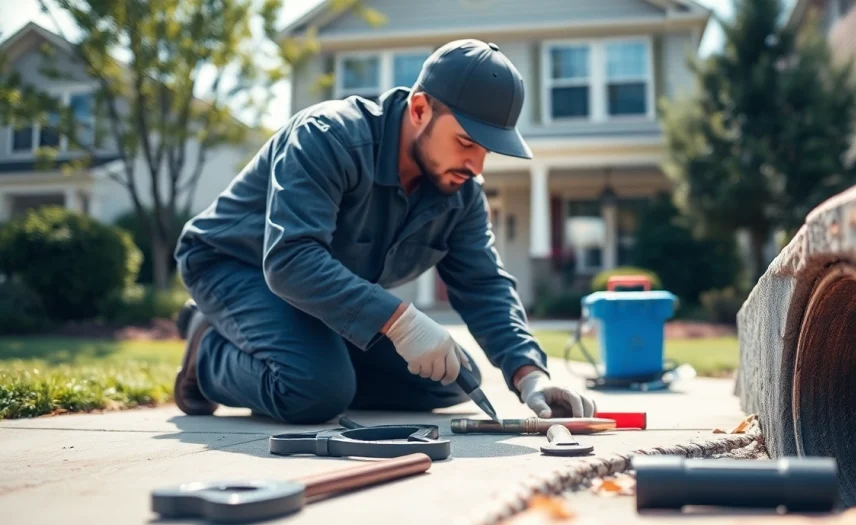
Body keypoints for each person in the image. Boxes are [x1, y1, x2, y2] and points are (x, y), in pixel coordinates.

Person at [172, 39, 597, 424]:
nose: (476, 166)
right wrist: (402, 324)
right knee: (314, 393)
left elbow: (484, 285)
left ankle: (324, 367)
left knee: (450, 378)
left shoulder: (461, 191)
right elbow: (290, 258)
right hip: (233, 266)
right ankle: (206, 351)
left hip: (316, 292)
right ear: (419, 110)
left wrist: (530, 375)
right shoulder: (327, 136)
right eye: (466, 142)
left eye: (487, 151)